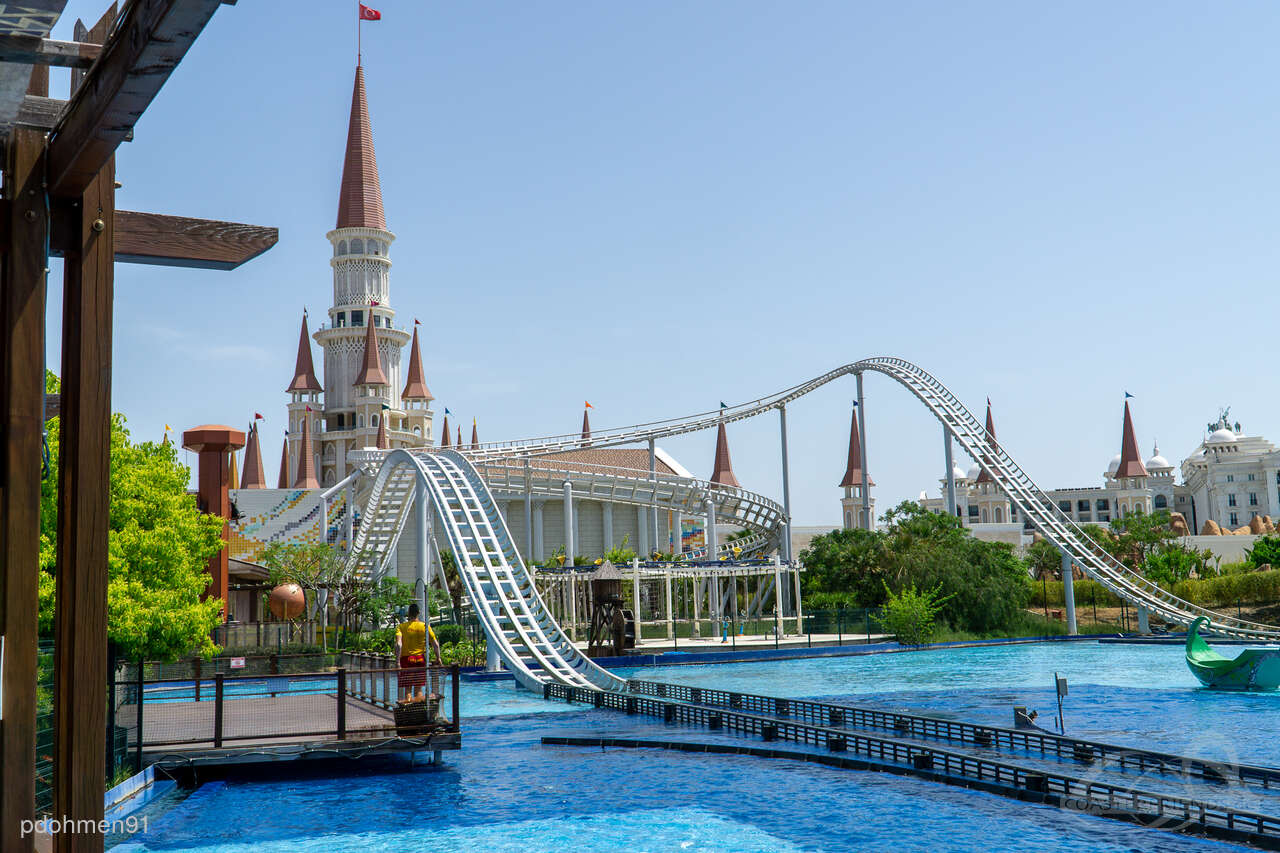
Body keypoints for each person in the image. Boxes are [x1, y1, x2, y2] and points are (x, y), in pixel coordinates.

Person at [394, 602, 441, 701]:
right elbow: (435, 644)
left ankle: (409, 710)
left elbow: (398, 644)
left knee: (407, 688)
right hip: (420, 659)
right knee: (418, 687)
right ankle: (417, 710)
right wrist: (438, 658)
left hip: (406, 660)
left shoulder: (401, 627)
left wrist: (398, 662)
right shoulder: (425, 627)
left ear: (408, 613)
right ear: (418, 613)